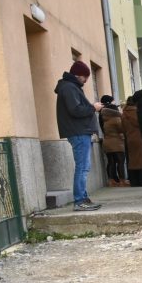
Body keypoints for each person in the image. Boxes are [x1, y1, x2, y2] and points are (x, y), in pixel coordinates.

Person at [54, 61, 102, 211]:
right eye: (84, 77)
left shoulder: (70, 87)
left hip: (79, 131)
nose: (86, 80)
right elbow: (75, 110)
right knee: (82, 167)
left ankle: (83, 198)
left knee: (83, 167)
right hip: (78, 131)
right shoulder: (69, 88)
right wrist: (92, 108)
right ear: (76, 75)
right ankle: (80, 200)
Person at [98, 95, 127, 187]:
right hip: (117, 142)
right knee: (121, 161)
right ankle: (122, 180)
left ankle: (111, 180)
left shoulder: (104, 117)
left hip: (107, 141)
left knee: (111, 162)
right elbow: (122, 129)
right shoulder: (116, 119)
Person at [120, 95, 142, 187]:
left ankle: (134, 181)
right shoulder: (138, 112)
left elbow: (122, 128)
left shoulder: (124, 113)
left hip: (129, 138)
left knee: (132, 160)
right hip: (140, 138)